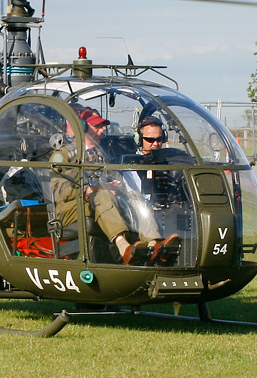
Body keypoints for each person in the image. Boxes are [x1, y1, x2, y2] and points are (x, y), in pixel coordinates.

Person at [50, 108, 176, 264]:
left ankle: (154, 244)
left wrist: (117, 186)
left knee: (133, 195)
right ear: (82, 127)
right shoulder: (64, 154)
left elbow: (114, 179)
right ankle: (123, 247)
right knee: (101, 195)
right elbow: (59, 191)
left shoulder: (99, 154)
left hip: (95, 201)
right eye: (97, 126)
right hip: (69, 209)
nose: (103, 130)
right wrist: (92, 188)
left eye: (103, 126)